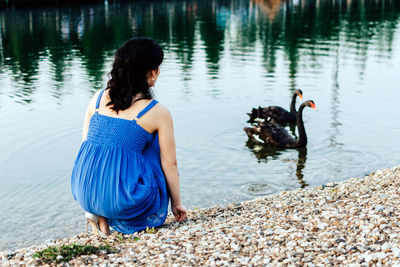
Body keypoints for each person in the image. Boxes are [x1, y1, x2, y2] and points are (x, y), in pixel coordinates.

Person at [71, 37, 186, 236]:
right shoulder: (157, 112)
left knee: (109, 145)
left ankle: (100, 213)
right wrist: (177, 204)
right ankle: (116, 210)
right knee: (152, 147)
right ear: (152, 72)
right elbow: (170, 164)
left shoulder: (97, 99)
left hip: (84, 191)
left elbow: (86, 148)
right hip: (124, 201)